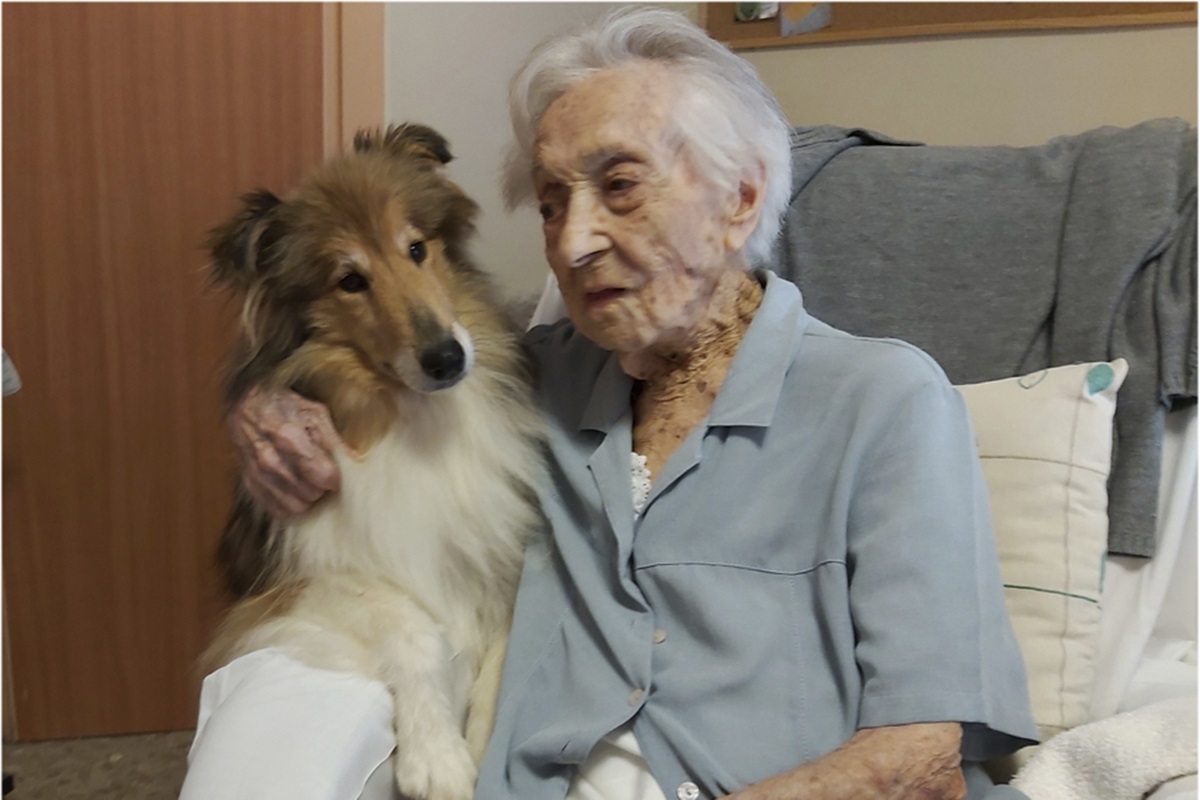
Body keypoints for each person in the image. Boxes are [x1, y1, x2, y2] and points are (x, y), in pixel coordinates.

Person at [209, 7, 1039, 799]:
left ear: (739, 200)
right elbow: (358, 401)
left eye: (620, 186)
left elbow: (920, 759)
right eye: (551, 203)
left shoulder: (884, 403)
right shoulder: (522, 388)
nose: (571, 242)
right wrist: (268, 417)